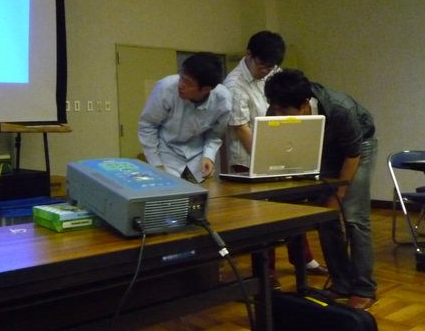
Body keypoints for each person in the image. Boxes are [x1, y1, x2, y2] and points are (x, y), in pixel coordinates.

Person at [265, 68, 377, 310]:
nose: (279, 116)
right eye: (276, 109)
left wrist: (340, 195)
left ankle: (364, 289)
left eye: (285, 111)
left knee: (354, 217)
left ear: (305, 103)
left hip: (359, 148)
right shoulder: (275, 110)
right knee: (325, 218)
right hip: (324, 147)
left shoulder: (339, 108)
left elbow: (352, 154)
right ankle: (341, 284)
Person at [222, 31, 328, 283]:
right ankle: (265, 270)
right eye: (262, 64)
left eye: (271, 66)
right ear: (248, 55)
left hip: (280, 152)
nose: (266, 70)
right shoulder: (234, 85)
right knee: (262, 217)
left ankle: (303, 258)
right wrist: (265, 159)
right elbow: (241, 128)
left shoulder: (273, 73)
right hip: (249, 158)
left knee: (292, 207)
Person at [138, 52, 231, 183]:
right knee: (170, 192)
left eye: (187, 82)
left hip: (197, 157)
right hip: (166, 152)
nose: (180, 85)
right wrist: (156, 164)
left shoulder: (222, 101)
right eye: (181, 77)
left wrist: (209, 156)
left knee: (204, 194)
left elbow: (214, 134)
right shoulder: (166, 88)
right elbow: (148, 126)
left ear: (206, 89)